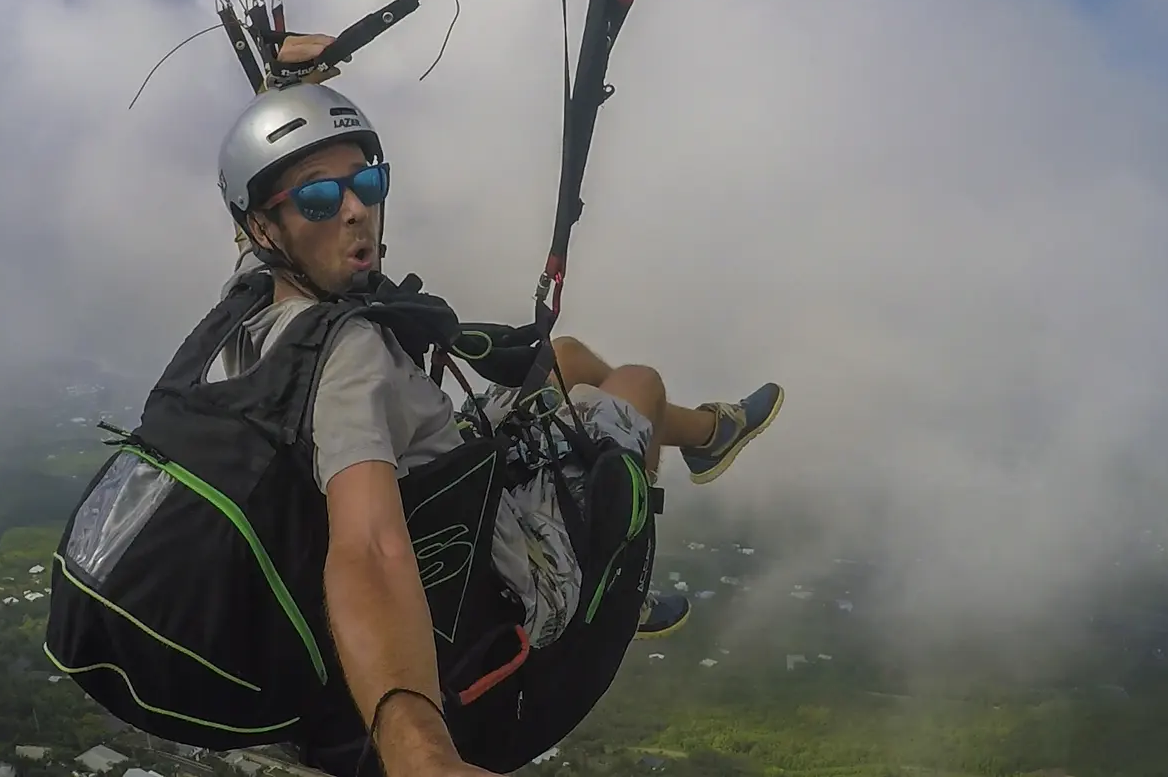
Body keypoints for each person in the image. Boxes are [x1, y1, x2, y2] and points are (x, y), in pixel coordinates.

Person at [207, 38, 783, 777]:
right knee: (637, 383)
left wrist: (290, 94)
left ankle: (706, 437)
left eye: (368, 183)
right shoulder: (346, 364)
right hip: (503, 567)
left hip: (442, 483)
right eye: (320, 198)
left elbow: (257, 202)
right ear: (267, 227)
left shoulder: (250, 304)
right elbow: (369, 546)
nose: (355, 212)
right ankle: (612, 575)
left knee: (566, 359)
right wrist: (418, 749)